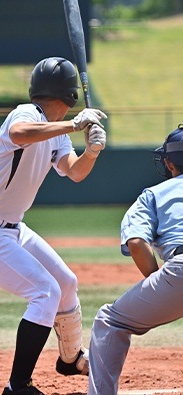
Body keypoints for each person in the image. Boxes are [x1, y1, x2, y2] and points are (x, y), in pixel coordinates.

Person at [0, 56, 107, 395]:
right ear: (69, 98)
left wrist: (91, 152)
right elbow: (21, 134)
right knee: (45, 292)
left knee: (65, 283)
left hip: (12, 229)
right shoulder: (25, 114)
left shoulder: (55, 133)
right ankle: (18, 385)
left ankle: (69, 359)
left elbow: (75, 172)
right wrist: (74, 125)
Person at [88, 124, 183, 395]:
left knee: (110, 320)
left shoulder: (154, 194)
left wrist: (163, 286)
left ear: (167, 161)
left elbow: (137, 242)